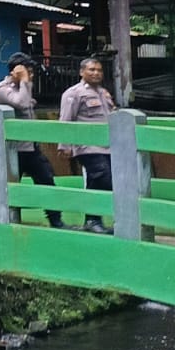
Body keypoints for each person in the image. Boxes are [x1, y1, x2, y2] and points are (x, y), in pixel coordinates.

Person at [0, 53, 63, 229]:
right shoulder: (2, 89)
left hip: (30, 147)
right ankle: (7, 221)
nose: (31, 77)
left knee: (47, 179)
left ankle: (56, 221)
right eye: (28, 72)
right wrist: (24, 80)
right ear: (16, 71)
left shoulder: (23, 87)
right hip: (13, 150)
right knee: (10, 186)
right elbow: (22, 103)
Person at [59, 57, 116, 234]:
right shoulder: (73, 93)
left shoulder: (103, 93)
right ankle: (96, 219)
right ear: (82, 72)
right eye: (91, 70)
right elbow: (66, 119)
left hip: (108, 146)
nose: (96, 73)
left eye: (99, 70)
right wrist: (64, 145)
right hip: (87, 146)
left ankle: (93, 221)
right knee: (104, 177)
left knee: (96, 180)